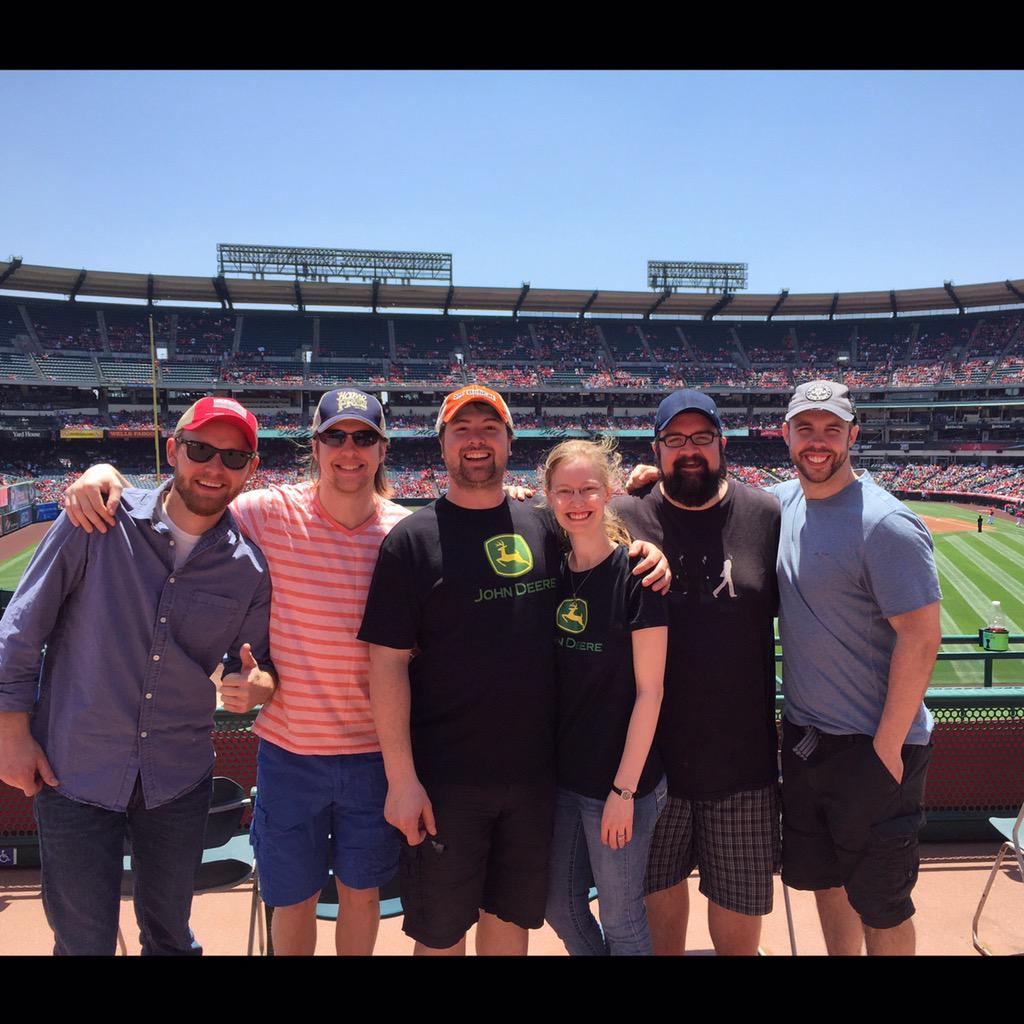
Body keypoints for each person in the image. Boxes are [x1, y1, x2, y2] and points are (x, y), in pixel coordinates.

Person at [61, 388, 407, 956]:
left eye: (364, 437)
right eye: (335, 437)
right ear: (314, 447)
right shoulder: (265, 512)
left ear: (382, 449)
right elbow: (189, 496)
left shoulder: (404, 532)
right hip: (290, 753)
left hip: (375, 754)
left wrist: (515, 490)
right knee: (291, 898)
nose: (350, 450)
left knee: (361, 895)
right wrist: (103, 474)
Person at [358, 384, 669, 956]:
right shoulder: (410, 542)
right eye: (462, 429)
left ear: (509, 439)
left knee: (510, 928)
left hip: (534, 784)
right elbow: (385, 666)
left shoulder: (544, 529)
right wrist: (401, 780)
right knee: (441, 934)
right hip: (446, 782)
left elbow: (597, 540)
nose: (476, 441)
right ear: (442, 444)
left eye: (489, 428)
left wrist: (647, 548)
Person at [0, 396, 275, 955]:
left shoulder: (247, 567)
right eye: (200, 449)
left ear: (252, 469)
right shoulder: (95, 521)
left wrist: (259, 686)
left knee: (170, 937)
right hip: (73, 770)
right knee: (83, 943)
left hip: (176, 776)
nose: (214, 467)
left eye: (233, 456)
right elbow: (19, 632)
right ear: (174, 450)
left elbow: (257, 662)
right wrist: (10, 735)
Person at [773, 380, 942, 956]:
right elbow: (713, 498)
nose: (816, 443)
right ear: (786, 434)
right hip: (807, 741)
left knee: (881, 902)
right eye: (805, 428)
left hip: (875, 744)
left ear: (853, 435)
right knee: (827, 882)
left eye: (831, 429)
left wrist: (886, 749)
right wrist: (640, 482)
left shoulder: (885, 523)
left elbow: (921, 638)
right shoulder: (783, 501)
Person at [614, 390, 782, 956]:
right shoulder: (622, 515)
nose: (691, 451)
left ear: (722, 444)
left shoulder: (766, 514)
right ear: (657, 449)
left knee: (738, 937)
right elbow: (557, 522)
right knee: (661, 935)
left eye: (702, 438)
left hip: (744, 768)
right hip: (650, 768)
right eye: (676, 440)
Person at [541, 438, 668, 955]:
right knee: (557, 905)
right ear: (548, 497)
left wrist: (624, 793)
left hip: (621, 782)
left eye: (588, 489)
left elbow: (650, 693)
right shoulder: (547, 570)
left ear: (609, 491)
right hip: (564, 779)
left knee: (621, 918)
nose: (577, 501)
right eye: (564, 491)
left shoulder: (637, 575)